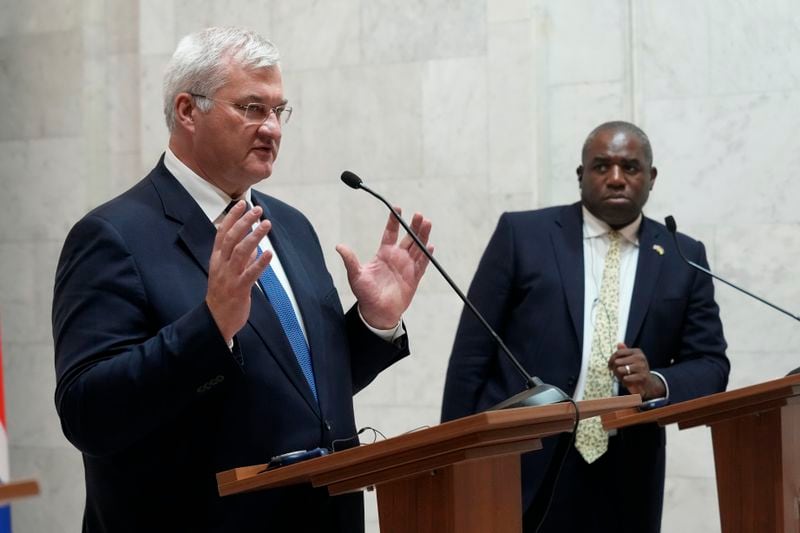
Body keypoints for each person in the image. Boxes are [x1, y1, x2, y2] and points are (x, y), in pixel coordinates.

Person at [52, 27, 433, 533]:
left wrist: (373, 323)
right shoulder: (112, 236)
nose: (272, 128)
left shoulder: (290, 226)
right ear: (188, 110)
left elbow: (301, 389)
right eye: (252, 108)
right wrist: (210, 329)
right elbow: (88, 414)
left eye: (279, 111)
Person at [440, 121, 729, 533]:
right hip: (522, 457)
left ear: (651, 178)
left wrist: (656, 382)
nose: (616, 178)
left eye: (630, 167)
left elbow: (711, 364)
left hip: (627, 470)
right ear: (581, 175)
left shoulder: (683, 256)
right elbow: (472, 353)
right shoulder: (522, 235)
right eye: (601, 166)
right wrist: (450, 457)